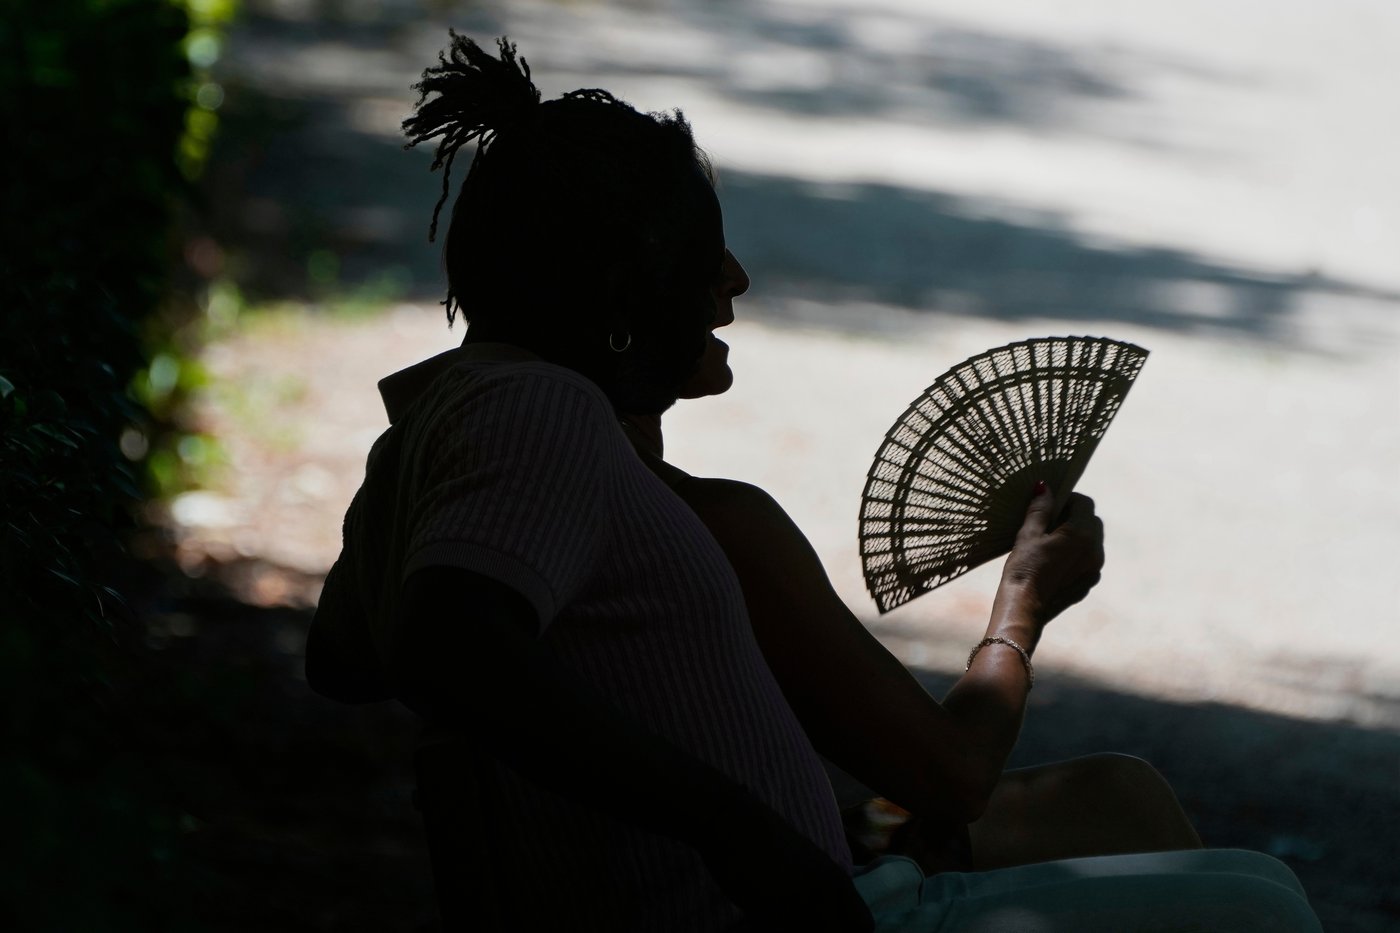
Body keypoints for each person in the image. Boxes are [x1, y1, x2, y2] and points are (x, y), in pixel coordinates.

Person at [306, 34, 1323, 932]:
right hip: (772, 906)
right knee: (1255, 901)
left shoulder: (444, 437)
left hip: (784, 878)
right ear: (619, 300)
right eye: (702, 254)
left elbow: (347, 655)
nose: (734, 281)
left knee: (1118, 802)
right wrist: (740, 826)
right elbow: (444, 650)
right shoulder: (541, 414)